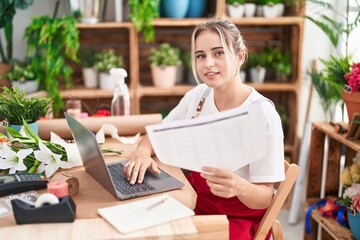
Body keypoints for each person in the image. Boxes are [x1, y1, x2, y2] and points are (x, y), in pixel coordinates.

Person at [124, 19, 285, 240]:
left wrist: (238, 186)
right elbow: (157, 133)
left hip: (237, 217)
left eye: (218, 53)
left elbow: (266, 196)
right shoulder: (198, 96)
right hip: (197, 200)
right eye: (201, 55)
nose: (208, 63)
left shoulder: (262, 114)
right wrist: (141, 152)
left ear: (240, 56)